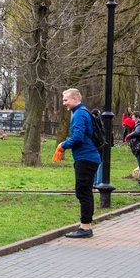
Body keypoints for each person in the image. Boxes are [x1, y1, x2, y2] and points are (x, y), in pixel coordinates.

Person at [57, 88, 101, 238]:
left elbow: (78, 137)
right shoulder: (81, 112)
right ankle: (85, 225)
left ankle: (85, 228)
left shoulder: (80, 114)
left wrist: (62, 145)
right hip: (87, 157)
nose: (64, 103)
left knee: (83, 191)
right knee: (84, 191)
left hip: (86, 158)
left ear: (75, 99)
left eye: (65, 100)